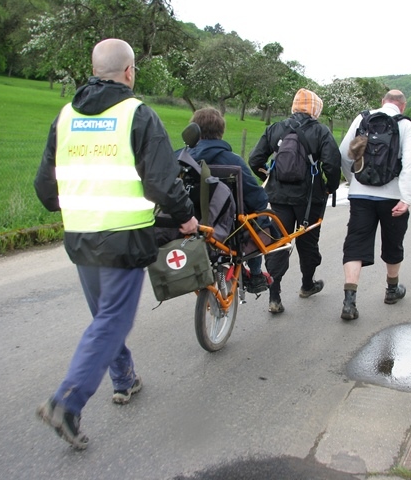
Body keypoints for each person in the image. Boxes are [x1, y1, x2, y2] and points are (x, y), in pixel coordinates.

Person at [33, 38, 198, 449]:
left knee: (104, 318)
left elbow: (44, 186)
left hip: (80, 235)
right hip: (122, 237)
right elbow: (163, 182)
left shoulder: (66, 115)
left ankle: (124, 378)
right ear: (129, 72)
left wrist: (70, 204)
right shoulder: (137, 115)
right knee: (113, 321)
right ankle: (66, 403)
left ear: (94, 69)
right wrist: (187, 217)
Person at [249, 88, 341, 314]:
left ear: (294, 106)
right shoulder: (321, 132)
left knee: (278, 242)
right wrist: (330, 187)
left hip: (279, 197)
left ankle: (274, 297)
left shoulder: (276, 128)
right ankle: (307, 285)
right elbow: (332, 164)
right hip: (310, 199)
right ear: (315, 109)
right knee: (308, 242)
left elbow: (255, 159)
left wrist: (268, 177)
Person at [338, 90, 411, 321]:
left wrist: (354, 180)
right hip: (393, 196)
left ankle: (349, 302)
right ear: (402, 107)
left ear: (382, 102)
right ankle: (392, 290)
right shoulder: (406, 126)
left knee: (355, 244)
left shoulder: (362, 118)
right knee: (393, 243)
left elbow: (344, 154)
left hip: (360, 195)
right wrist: (406, 198)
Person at [185, 107, 270, 293]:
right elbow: (255, 195)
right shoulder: (232, 160)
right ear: (221, 132)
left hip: (190, 224)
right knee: (255, 217)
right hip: (231, 230)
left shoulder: (182, 158)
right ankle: (256, 274)